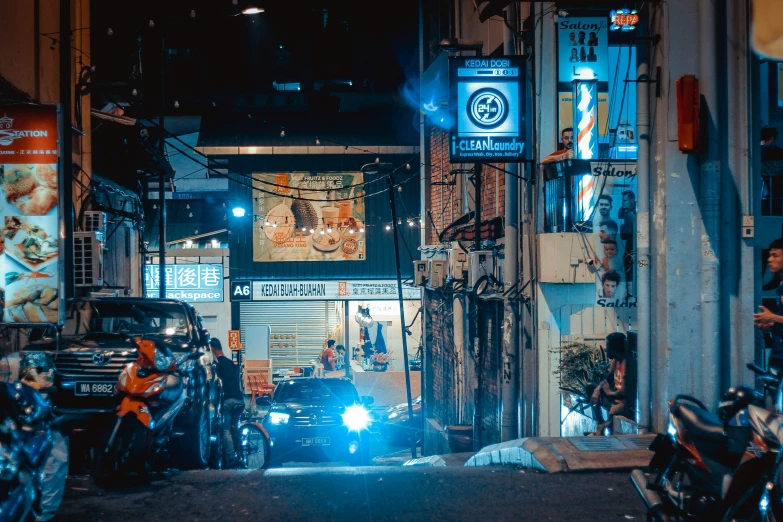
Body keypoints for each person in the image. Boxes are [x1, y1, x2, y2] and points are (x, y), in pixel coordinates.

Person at [209, 338, 246, 469]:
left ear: (212, 349)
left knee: (225, 430)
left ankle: (231, 458)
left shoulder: (216, 366)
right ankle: (241, 451)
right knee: (235, 427)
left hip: (228, 401)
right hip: (240, 400)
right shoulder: (233, 364)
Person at [590, 332, 628, 436]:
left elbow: (624, 392)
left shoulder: (626, 364)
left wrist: (609, 392)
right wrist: (598, 389)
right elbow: (608, 379)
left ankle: (605, 426)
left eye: (608, 346)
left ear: (615, 348)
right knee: (590, 389)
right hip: (613, 396)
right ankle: (600, 423)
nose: (606, 349)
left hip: (622, 400)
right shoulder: (616, 361)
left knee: (615, 410)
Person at [754, 238, 783, 370]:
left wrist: (772, 318)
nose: (769, 260)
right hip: (778, 354)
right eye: (770, 255)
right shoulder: (781, 286)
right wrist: (771, 324)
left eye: (775, 255)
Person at [619, 190, 637, 295]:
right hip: (629, 242)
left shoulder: (635, 212)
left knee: (632, 266)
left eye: (625, 200)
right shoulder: (624, 212)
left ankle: (632, 291)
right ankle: (629, 291)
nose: (623, 203)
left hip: (634, 242)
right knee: (627, 265)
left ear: (632, 200)